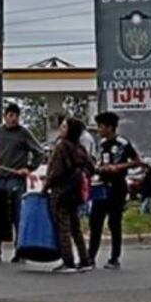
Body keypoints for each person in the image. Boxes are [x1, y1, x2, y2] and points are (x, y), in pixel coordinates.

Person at [0, 102, 44, 263]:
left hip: (16, 178)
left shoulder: (24, 133)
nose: (14, 119)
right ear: (5, 116)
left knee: (18, 215)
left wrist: (29, 168)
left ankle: (20, 250)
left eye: (16, 115)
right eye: (11, 115)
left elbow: (39, 153)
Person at [90, 111, 141, 270]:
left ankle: (114, 257)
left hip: (117, 185)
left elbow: (137, 161)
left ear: (110, 127)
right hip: (102, 185)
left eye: (101, 126)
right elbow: (101, 161)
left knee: (114, 222)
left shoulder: (122, 143)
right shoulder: (103, 144)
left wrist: (118, 167)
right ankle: (90, 257)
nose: (98, 130)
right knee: (95, 221)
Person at [47, 117, 93, 273]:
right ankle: (85, 259)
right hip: (76, 192)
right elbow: (91, 168)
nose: (61, 128)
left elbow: (55, 172)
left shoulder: (61, 147)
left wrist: (46, 186)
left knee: (63, 227)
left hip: (61, 191)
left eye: (65, 126)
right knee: (76, 227)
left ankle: (68, 261)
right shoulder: (80, 149)